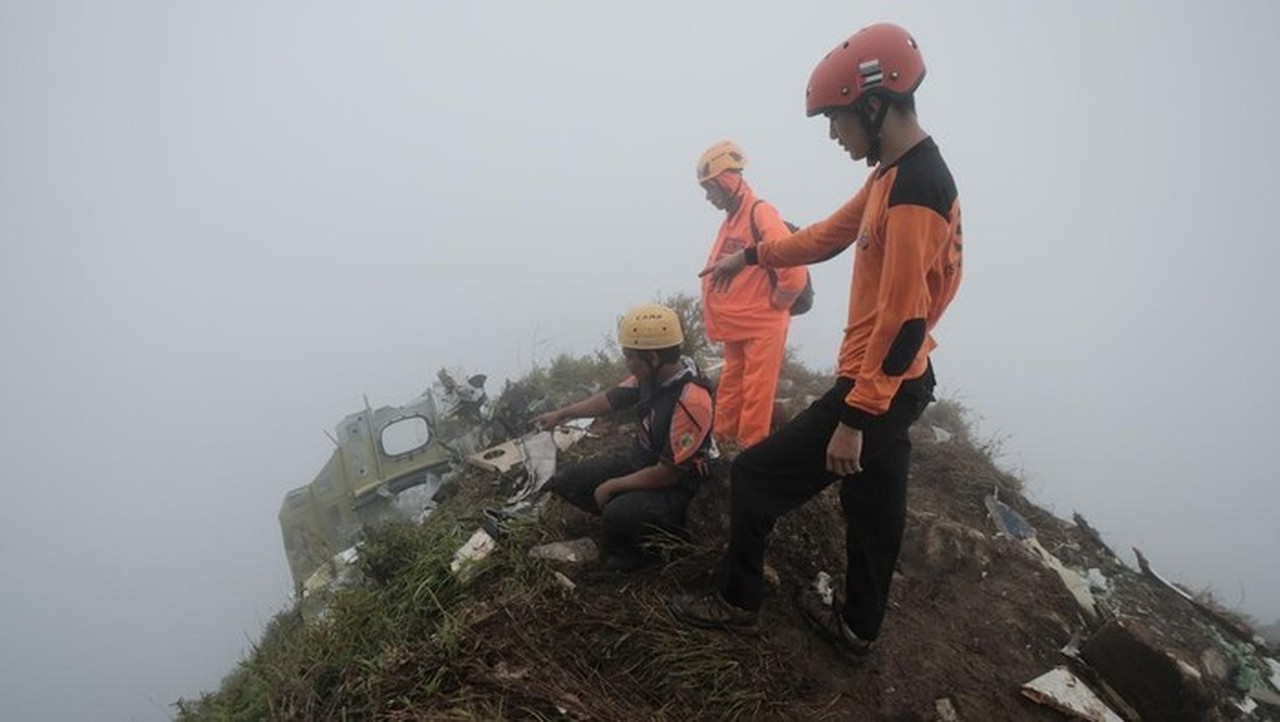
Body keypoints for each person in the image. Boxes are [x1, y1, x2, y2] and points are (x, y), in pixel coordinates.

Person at [670, 23, 964, 661]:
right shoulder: (892, 174)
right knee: (875, 508)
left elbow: (907, 318)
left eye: (837, 120)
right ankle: (857, 629)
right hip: (900, 380)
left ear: (872, 103)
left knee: (752, 477)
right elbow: (827, 235)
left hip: (878, 383)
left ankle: (735, 602)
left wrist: (855, 417)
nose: (834, 135)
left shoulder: (916, 190)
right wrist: (751, 254)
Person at [534, 304, 716, 572]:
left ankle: (647, 554)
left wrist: (612, 486)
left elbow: (669, 473)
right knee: (569, 481)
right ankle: (624, 522)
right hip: (642, 464)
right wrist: (563, 414)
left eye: (629, 356)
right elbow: (610, 399)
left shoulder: (693, 401)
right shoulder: (650, 375)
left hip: (678, 486)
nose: (626, 362)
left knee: (620, 513)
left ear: (653, 357)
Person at [696, 141, 808, 450]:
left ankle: (749, 450)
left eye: (710, 188)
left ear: (725, 181)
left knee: (758, 390)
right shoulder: (733, 219)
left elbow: (793, 267)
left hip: (762, 323)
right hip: (739, 323)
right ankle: (723, 439)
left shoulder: (760, 212)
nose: (708, 197)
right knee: (732, 383)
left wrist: (780, 303)